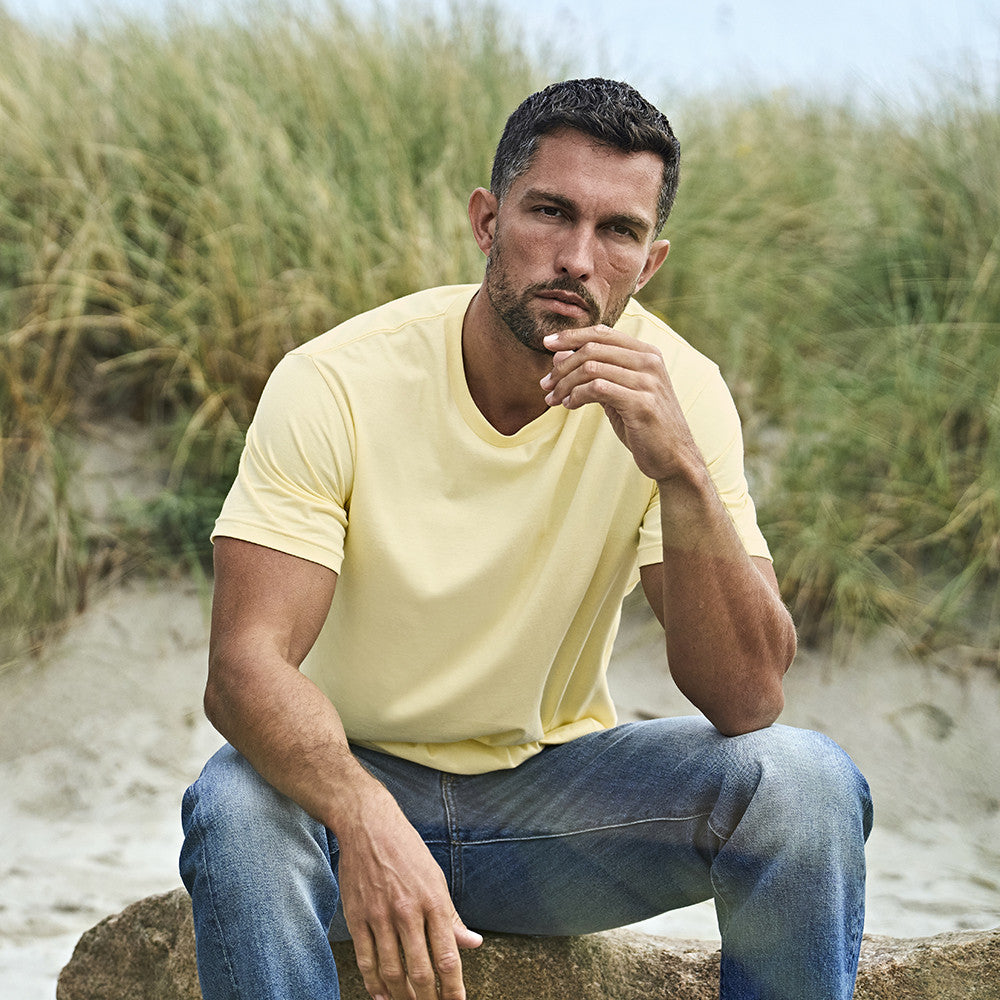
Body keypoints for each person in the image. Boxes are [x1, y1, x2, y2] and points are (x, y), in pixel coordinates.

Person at [180, 78, 873, 1000]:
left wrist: (682, 475)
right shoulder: (336, 381)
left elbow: (746, 700)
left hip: (555, 811)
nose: (577, 259)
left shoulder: (679, 394)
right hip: (347, 793)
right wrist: (365, 816)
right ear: (487, 220)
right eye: (550, 212)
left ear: (649, 262)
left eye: (618, 231)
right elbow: (244, 668)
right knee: (234, 805)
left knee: (804, 784)